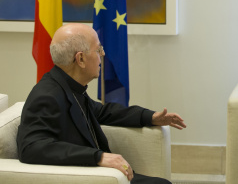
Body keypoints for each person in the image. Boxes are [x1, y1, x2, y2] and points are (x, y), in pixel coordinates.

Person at [17, 23, 186, 184]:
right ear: (81, 59)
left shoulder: (68, 85)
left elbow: (102, 111)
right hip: (86, 177)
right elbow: (31, 147)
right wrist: (98, 157)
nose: (102, 54)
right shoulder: (47, 95)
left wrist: (151, 117)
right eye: (98, 49)